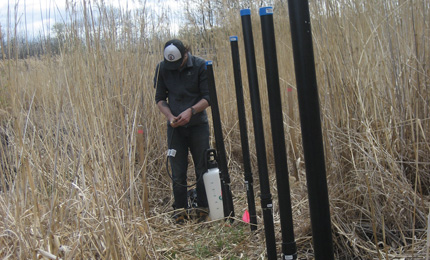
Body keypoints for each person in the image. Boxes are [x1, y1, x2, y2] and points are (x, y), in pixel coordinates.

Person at [154, 39, 210, 224]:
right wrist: (170, 117)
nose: (176, 68)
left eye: (179, 63)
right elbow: (160, 99)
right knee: (177, 172)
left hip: (198, 126)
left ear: (186, 54)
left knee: (202, 167)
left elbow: (209, 97)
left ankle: (203, 208)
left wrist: (191, 111)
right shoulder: (162, 68)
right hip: (175, 128)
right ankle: (180, 211)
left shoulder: (201, 65)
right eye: (172, 65)